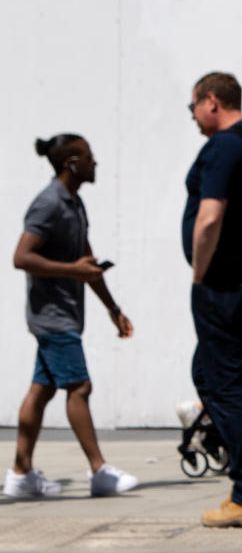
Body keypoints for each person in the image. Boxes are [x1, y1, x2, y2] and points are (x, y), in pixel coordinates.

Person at [7, 134, 138, 498]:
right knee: (80, 387)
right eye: (89, 157)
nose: (96, 163)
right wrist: (72, 270)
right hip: (52, 316)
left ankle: (20, 474)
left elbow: (87, 264)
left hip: (64, 312)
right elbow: (21, 257)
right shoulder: (48, 204)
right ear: (71, 163)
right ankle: (99, 470)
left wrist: (113, 309)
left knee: (43, 389)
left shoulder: (74, 203)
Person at [184, 72, 242, 527]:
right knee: (208, 371)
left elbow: (209, 218)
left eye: (193, 108)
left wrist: (200, 274)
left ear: (212, 101)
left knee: (225, 382)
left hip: (224, 280)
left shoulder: (224, 146)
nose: (195, 117)